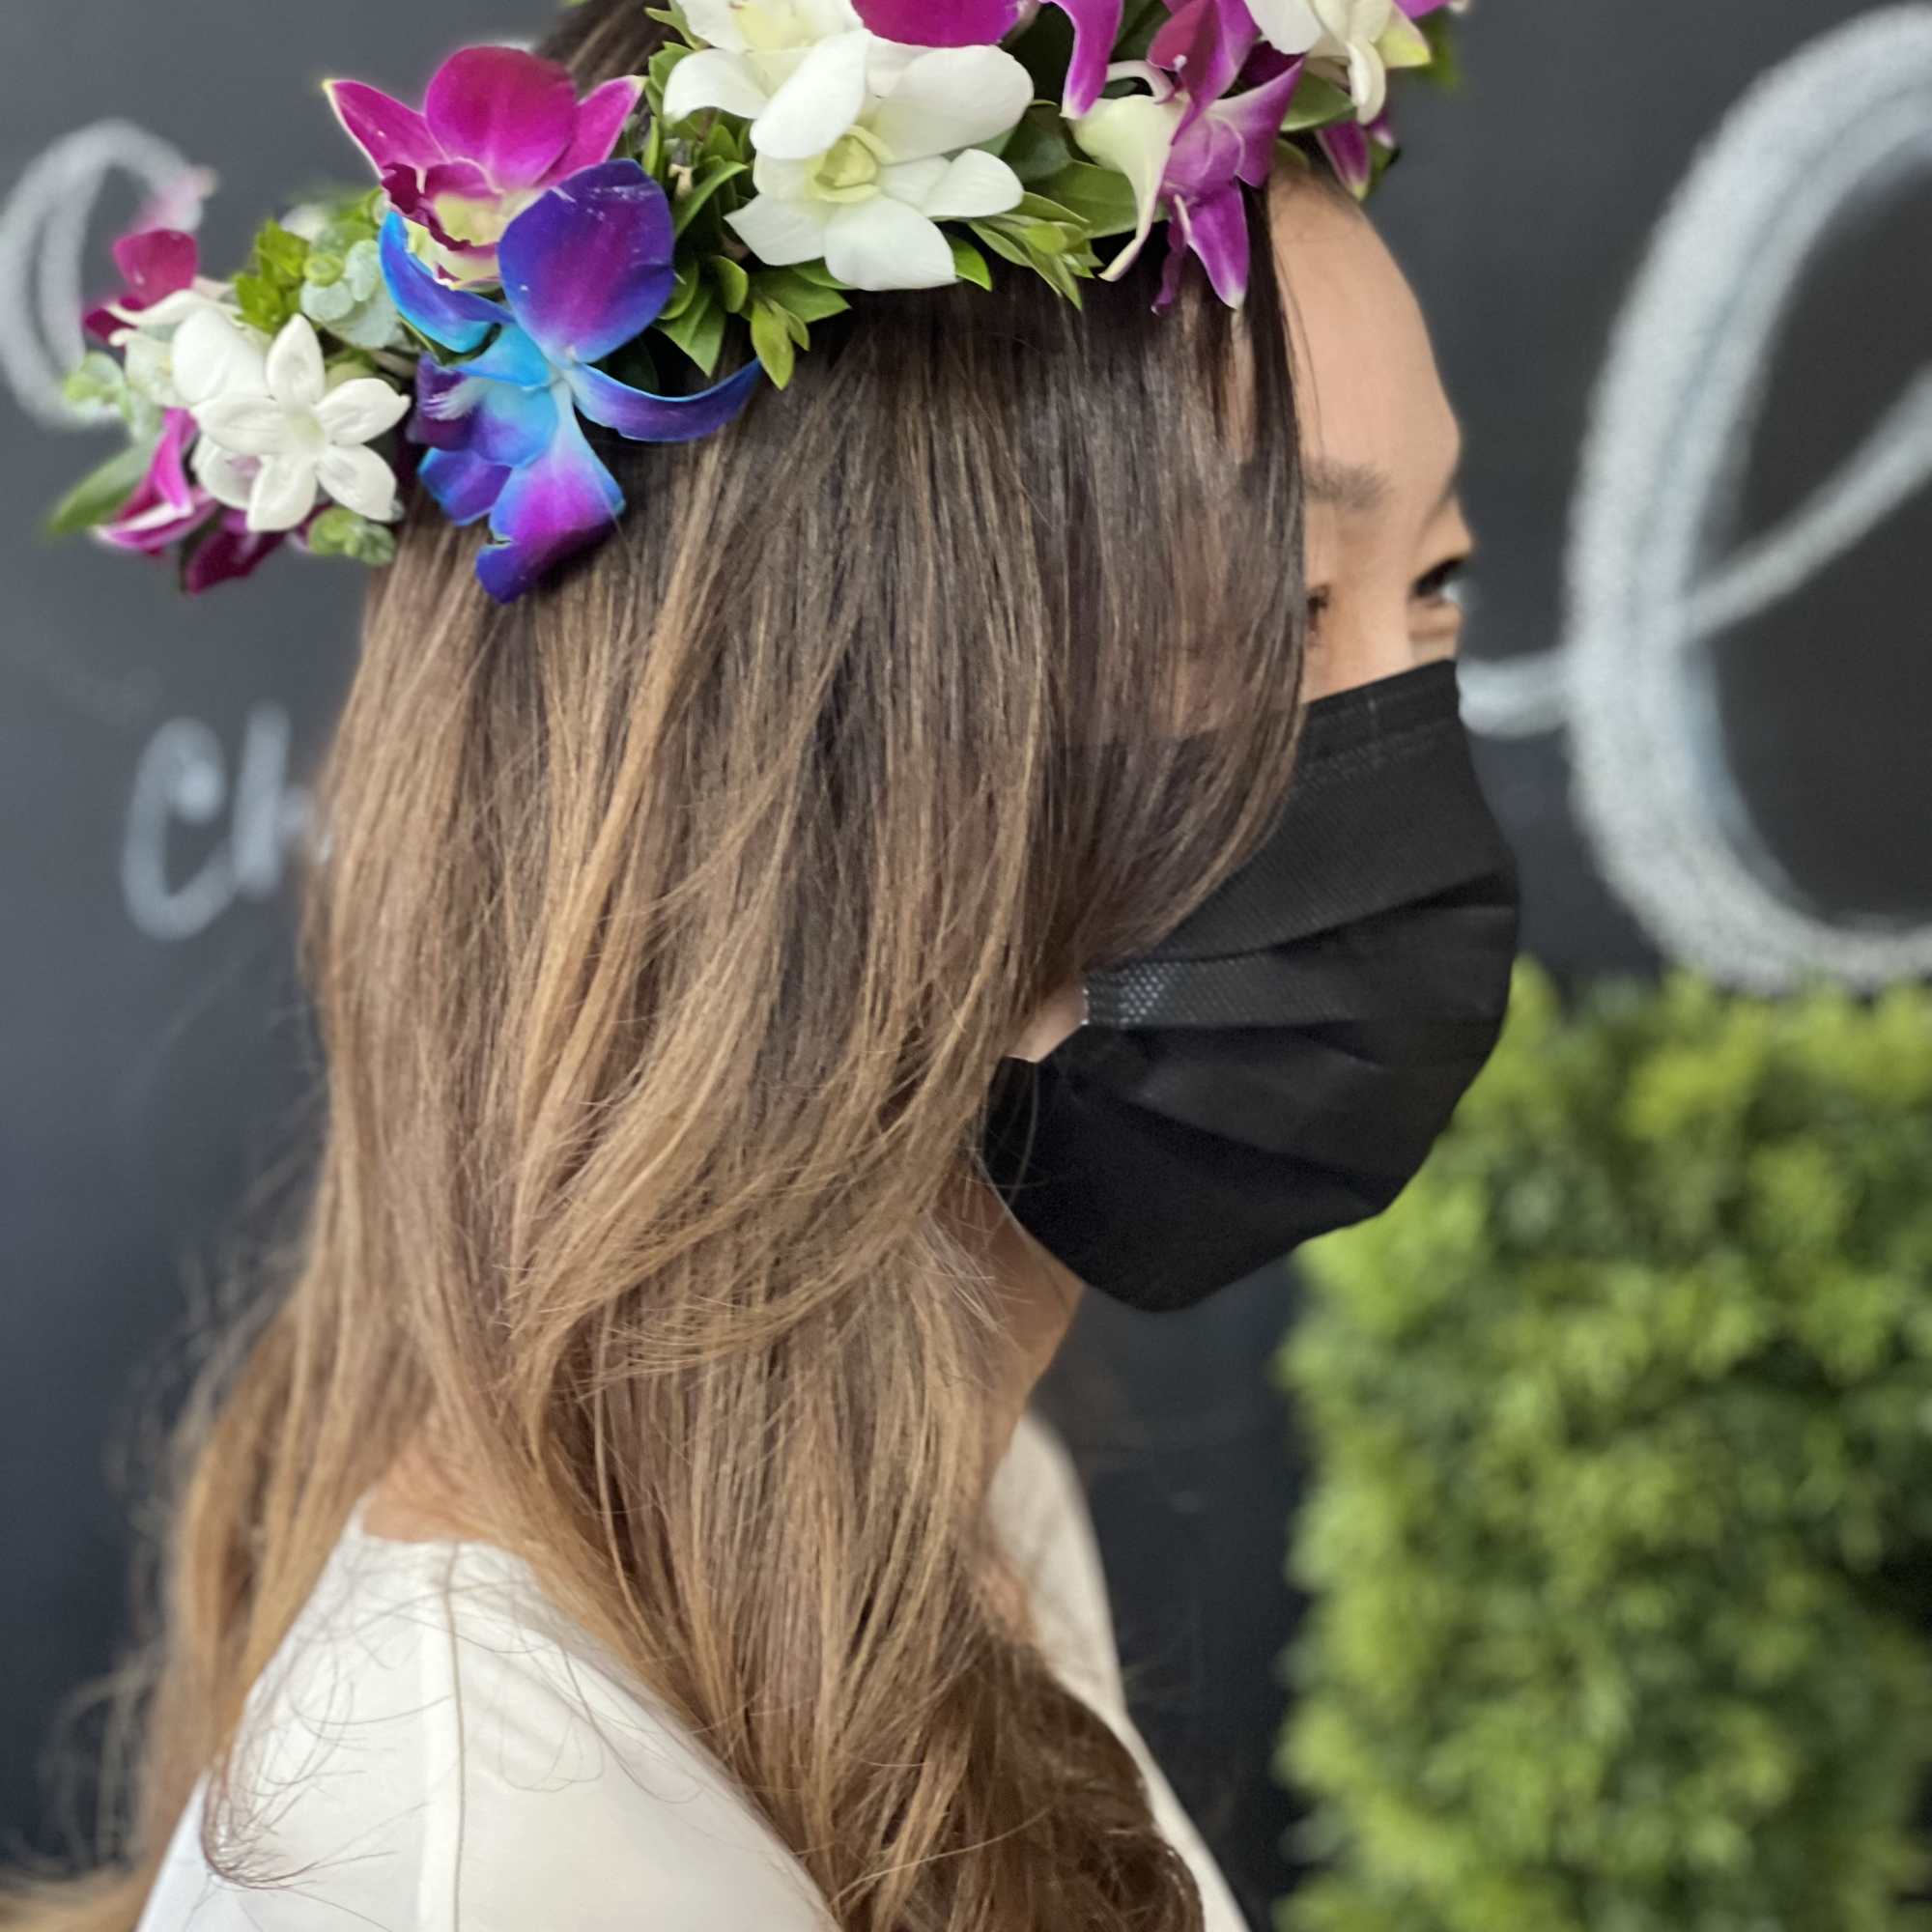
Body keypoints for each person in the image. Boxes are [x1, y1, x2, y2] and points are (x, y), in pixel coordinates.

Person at [7, 4, 1517, 1929]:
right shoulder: (497, 1858)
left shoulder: (958, 1518)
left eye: (1438, 586)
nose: (1408, 742)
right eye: (1288, 606)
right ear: (829, 750)